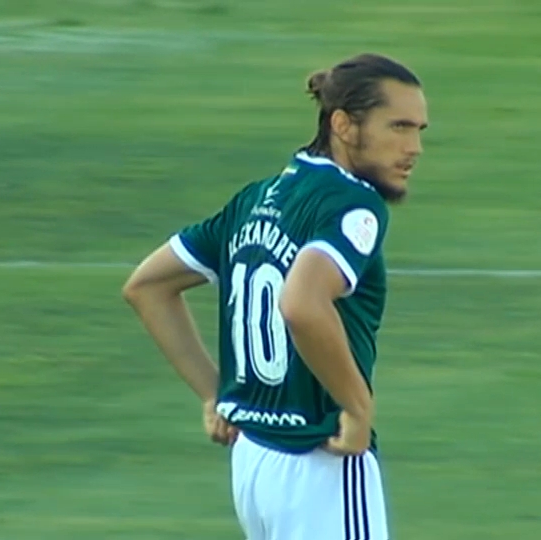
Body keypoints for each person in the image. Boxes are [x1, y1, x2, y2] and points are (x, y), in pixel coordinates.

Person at [123, 52, 428, 540]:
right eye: (399, 127)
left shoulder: (256, 198)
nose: (414, 148)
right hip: (320, 462)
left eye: (419, 130)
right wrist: (356, 408)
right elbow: (301, 304)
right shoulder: (353, 204)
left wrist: (216, 394)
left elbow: (148, 286)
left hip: (254, 463)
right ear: (343, 125)